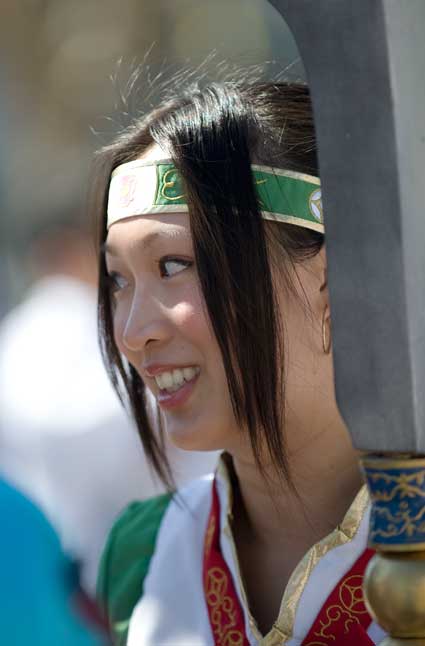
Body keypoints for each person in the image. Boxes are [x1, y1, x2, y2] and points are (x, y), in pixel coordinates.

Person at [94, 81, 387, 645]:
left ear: (330, 281)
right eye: (118, 280)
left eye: (175, 265)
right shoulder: (144, 554)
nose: (133, 333)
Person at [0, 214, 217, 595]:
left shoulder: (10, 340)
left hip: (36, 570)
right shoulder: (90, 329)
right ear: (73, 249)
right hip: (126, 563)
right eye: (115, 274)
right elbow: (132, 421)